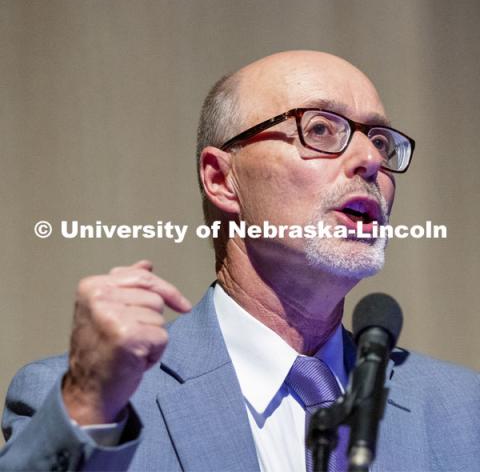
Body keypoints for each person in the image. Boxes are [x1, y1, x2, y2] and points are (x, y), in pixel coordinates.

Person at [1, 50, 479, 472]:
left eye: (378, 140)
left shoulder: (463, 410)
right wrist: (88, 402)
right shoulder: (95, 405)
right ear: (221, 179)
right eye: (319, 129)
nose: (369, 160)